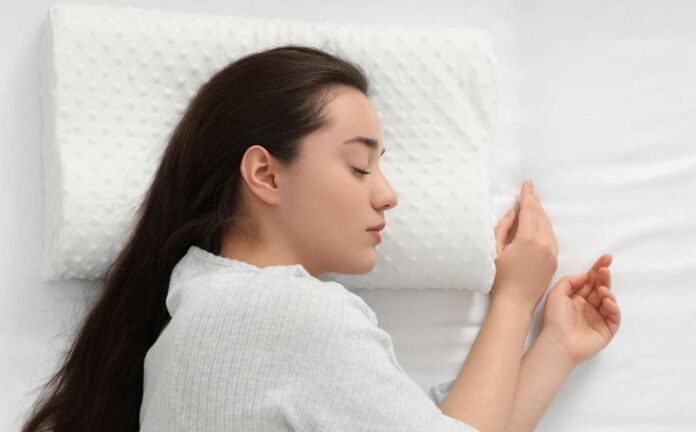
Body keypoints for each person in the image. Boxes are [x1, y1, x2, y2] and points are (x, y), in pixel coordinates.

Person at [21, 45, 621, 432]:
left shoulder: (209, 310)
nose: (387, 194)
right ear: (265, 173)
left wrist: (555, 347)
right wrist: (515, 301)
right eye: (360, 167)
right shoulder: (283, 315)